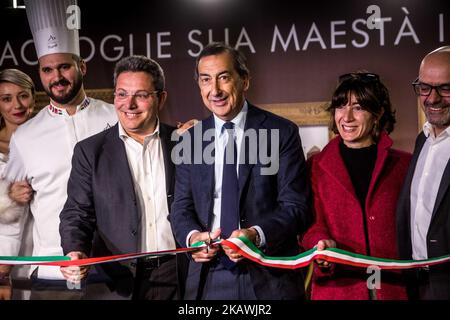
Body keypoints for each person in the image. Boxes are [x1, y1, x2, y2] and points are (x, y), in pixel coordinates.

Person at [170, 42, 311, 300]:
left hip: (268, 273)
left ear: (244, 80)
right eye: (206, 80)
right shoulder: (190, 140)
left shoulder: (281, 133)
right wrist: (192, 238)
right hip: (208, 276)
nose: (215, 90)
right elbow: (180, 207)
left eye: (224, 77)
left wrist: (256, 235)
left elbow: (296, 206)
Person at [0, 0, 118, 299]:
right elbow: (14, 210)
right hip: (52, 270)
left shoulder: (116, 117)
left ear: (82, 66)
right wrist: (4, 262)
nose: (57, 77)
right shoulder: (25, 136)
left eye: (64, 66)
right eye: (47, 69)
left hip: (113, 265)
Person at [59, 55, 188, 300]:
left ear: (160, 98)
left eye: (140, 95)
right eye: (121, 94)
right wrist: (75, 250)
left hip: (176, 276)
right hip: (114, 282)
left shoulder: (185, 143)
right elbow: (77, 212)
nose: (129, 104)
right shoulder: (89, 151)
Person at [301, 72, 411, 300]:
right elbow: (310, 224)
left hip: (393, 288)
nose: (347, 117)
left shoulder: (405, 165)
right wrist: (319, 243)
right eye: (341, 106)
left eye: (358, 107)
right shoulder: (315, 166)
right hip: (338, 288)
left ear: (378, 113)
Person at [397, 46, 450, 300]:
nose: (432, 98)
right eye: (425, 88)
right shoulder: (423, 140)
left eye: (445, 88)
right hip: (419, 282)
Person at [0, 69, 35, 300]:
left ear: (33, 96)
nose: (17, 105)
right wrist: (7, 196)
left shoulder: (48, 139)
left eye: (23, 95)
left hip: (39, 253)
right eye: (6, 98)